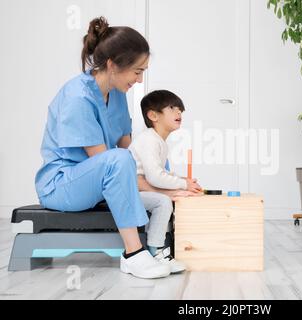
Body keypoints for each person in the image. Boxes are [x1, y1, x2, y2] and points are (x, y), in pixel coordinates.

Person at [35, 16, 177, 279]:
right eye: (137, 71)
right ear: (112, 65)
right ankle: (133, 254)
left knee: (157, 188)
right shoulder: (77, 97)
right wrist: (155, 183)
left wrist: (168, 181)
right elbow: (112, 162)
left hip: (96, 183)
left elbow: (131, 150)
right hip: (62, 185)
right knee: (119, 160)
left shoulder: (118, 95)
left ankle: (157, 250)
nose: (139, 79)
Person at [129, 90, 203, 274]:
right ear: (153, 115)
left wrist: (181, 181)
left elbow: (157, 174)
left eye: (180, 110)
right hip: (130, 193)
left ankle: (163, 248)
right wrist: (183, 184)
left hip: (140, 189)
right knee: (163, 202)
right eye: (172, 108)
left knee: (171, 198)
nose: (179, 113)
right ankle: (156, 251)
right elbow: (154, 177)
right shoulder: (149, 140)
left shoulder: (159, 141)